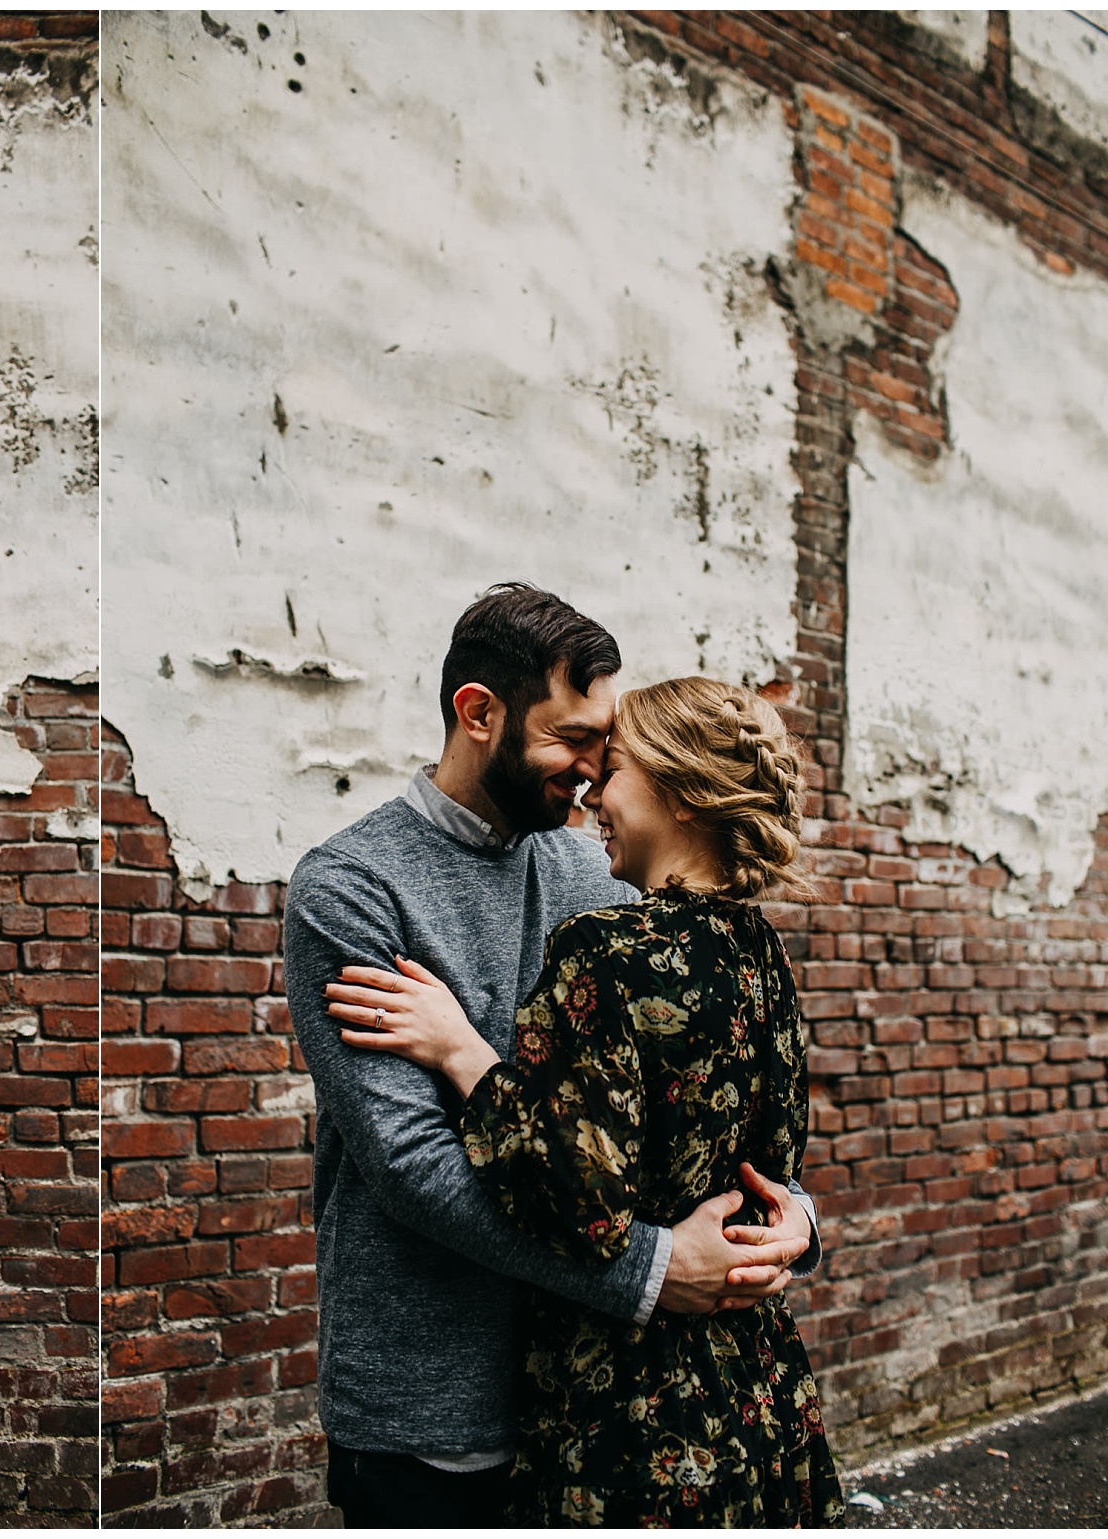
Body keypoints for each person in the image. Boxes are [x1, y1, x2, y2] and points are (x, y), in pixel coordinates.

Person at [281, 583, 820, 1529]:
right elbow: (413, 1167)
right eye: (573, 737)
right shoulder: (351, 888)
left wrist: (790, 1219)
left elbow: (694, 1085)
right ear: (478, 712)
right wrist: (655, 1271)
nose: (595, 767)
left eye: (605, 742)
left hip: (596, 1401)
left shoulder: (596, 869)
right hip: (439, 1403)